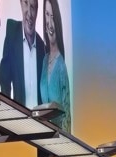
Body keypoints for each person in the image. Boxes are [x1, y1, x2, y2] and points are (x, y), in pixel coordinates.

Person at [0, 0, 44, 107]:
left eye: (33, 7)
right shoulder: (12, 32)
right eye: (25, 3)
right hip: (19, 118)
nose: (29, 12)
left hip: (39, 120)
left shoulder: (42, 47)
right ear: (20, 4)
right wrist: (7, 110)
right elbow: (4, 78)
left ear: (37, 11)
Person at [39, 0, 71, 132]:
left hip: (58, 140)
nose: (50, 23)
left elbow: (67, 113)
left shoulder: (61, 65)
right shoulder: (44, 60)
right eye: (47, 14)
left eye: (53, 17)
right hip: (43, 138)